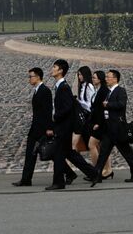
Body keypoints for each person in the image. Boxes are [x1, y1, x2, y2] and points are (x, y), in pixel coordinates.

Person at [45, 59, 96, 190]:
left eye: (54, 67)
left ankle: (58, 182)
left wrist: (55, 116)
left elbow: (67, 108)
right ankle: (94, 173)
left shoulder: (64, 87)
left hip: (63, 127)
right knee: (70, 154)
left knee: (58, 154)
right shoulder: (60, 86)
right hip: (63, 127)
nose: (52, 69)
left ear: (61, 70)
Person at [90, 69, 133, 186]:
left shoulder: (120, 91)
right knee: (103, 152)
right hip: (109, 129)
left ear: (115, 79)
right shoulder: (109, 92)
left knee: (127, 152)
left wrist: (108, 105)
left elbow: (121, 104)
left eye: (108, 77)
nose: (106, 79)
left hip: (118, 128)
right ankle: (97, 175)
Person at [12, 67, 52, 187]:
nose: (29, 79)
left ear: (38, 77)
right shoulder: (37, 90)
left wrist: (49, 128)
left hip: (42, 129)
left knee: (52, 153)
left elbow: (48, 110)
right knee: (31, 153)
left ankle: (70, 173)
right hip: (35, 128)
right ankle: (26, 179)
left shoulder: (44, 91)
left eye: (31, 76)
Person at [87, 70, 113, 179]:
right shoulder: (98, 90)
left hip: (101, 124)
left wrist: (98, 123)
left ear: (100, 79)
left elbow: (103, 109)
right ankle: (107, 170)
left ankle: (96, 171)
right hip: (97, 123)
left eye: (94, 78)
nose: (92, 80)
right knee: (102, 147)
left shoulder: (103, 91)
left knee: (91, 145)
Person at [71, 65, 94, 156]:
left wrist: (79, 102)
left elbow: (90, 104)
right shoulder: (82, 86)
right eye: (78, 75)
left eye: (81, 75)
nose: (79, 77)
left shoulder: (89, 87)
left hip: (88, 116)